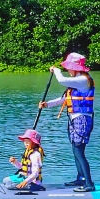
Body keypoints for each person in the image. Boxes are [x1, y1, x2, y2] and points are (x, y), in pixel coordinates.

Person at [38, 52, 95, 191]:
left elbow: (61, 80)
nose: (68, 70)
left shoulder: (82, 80)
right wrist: (47, 104)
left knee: (79, 151)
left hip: (82, 120)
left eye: (69, 67)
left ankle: (89, 184)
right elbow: (64, 99)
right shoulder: (76, 82)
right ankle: (80, 179)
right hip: (74, 120)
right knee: (75, 150)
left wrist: (56, 70)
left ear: (76, 68)